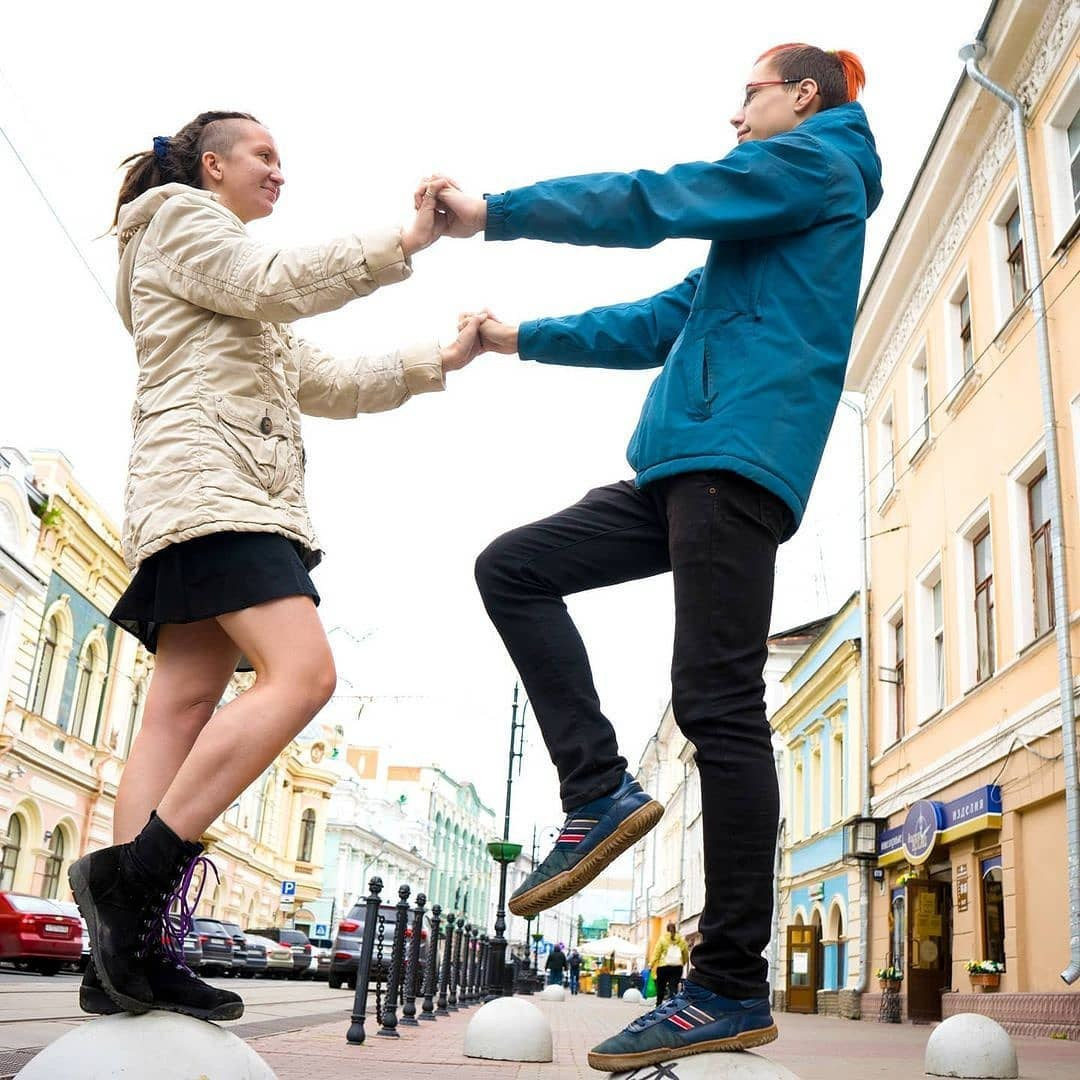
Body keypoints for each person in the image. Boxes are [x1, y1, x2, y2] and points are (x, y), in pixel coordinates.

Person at [429, 43, 881, 1071]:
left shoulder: (814, 165)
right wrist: (516, 336)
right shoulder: (762, 227)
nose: (735, 117)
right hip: (679, 468)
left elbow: (652, 199)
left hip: (734, 460)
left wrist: (491, 209)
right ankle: (599, 792)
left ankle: (726, 983)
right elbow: (656, 320)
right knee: (514, 567)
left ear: (801, 98)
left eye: (748, 96)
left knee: (717, 703)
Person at [68, 111, 483, 1023]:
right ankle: (130, 886)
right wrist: (406, 239)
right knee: (303, 674)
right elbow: (276, 280)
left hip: (197, 494)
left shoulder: (223, 286)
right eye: (264, 156)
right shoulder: (183, 222)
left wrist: (438, 359)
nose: (279, 172)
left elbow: (324, 380)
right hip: (216, 489)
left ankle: (119, 961)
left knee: (178, 709)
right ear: (211, 166)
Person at [651, 923, 690, 1004]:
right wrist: (683, 963)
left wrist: (651, 964)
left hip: (663, 967)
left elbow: (656, 953)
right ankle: (673, 1005)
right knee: (673, 987)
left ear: (667, 929)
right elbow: (685, 954)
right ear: (675, 929)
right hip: (677, 967)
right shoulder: (682, 941)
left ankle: (658, 1005)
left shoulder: (662, 939)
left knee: (661, 988)